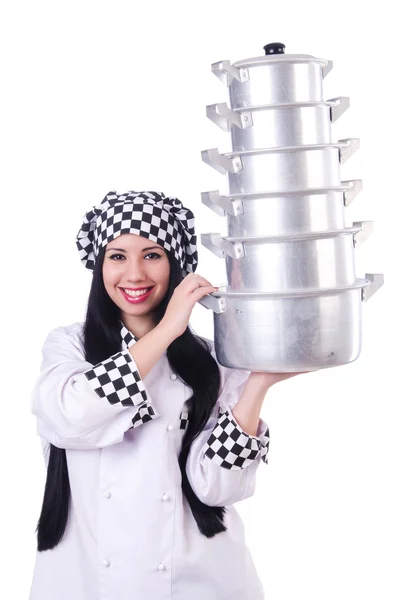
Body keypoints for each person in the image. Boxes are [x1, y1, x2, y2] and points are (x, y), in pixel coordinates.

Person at [29, 189, 305, 600]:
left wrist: (257, 383)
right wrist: (167, 330)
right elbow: (68, 415)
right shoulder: (70, 346)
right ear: (99, 265)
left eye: (153, 255)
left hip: (199, 582)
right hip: (87, 580)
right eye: (117, 256)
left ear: (175, 265)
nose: (135, 274)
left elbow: (217, 489)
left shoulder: (211, 359)